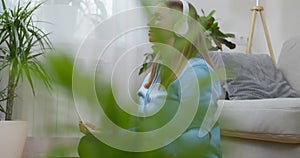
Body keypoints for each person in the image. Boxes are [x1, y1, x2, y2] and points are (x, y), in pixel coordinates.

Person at [78, 0, 222, 157]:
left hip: (182, 152)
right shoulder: (159, 69)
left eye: (158, 18)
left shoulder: (197, 73)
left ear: (181, 27)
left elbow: (196, 137)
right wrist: (108, 134)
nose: (149, 23)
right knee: (90, 144)